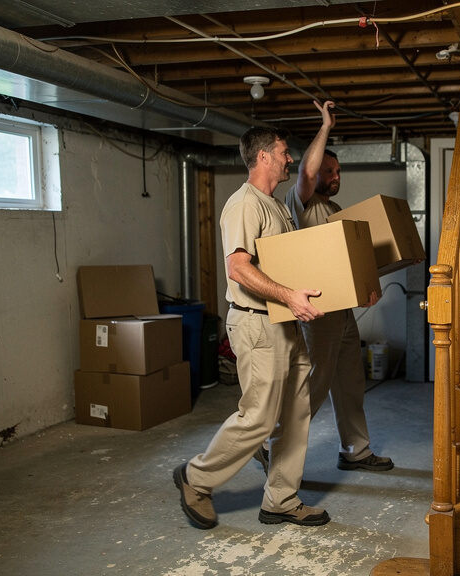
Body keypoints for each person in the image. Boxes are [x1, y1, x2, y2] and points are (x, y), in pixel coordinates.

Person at [173, 124, 328, 530]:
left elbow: (285, 265)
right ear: (263, 157)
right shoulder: (244, 204)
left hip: (285, 322)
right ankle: (196, 478)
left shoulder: (275, 205)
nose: (289, 159)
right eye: (284, 152)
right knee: (258, 417)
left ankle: (281, 499)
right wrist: (289, 296)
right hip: (258, 324)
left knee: (296, 413)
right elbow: (239, 269)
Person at [256, 99, 394, 473]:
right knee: (313, 384)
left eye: (338, 172)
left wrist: (368, 287)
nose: (335, 177)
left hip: (342, 312)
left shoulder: (334, 211)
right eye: (328, 171)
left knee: (350, 382)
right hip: (317, 312)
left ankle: (355, 450)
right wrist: (325, 127)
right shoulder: (300, 203)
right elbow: (305, 171)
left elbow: (349, 264)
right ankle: (271, 444)